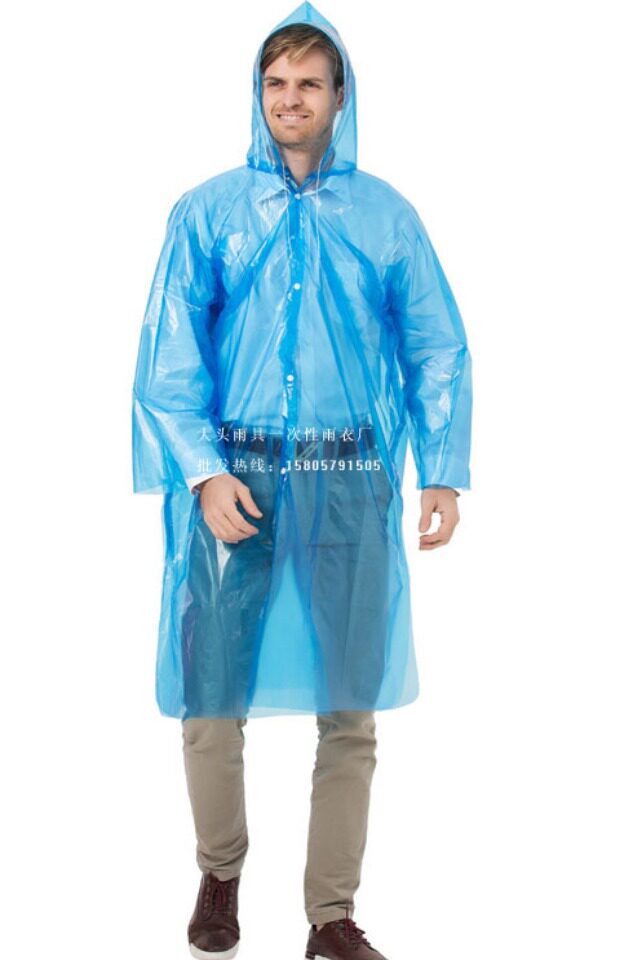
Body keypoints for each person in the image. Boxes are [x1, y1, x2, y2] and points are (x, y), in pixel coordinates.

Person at [131, 3, 472, 958]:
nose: (291, 99)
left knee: (349, 702)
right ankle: (220, 873)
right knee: (211, 691)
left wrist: (442, 470)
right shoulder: (207, 213)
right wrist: (203, 474)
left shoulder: (386, 217)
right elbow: (170, 359)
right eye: (276, 84)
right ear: (258, 95)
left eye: (309, 84)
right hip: (234, 475)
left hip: (348, 471)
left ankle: (331, 915)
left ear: (339, 97)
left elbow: (436, 345)